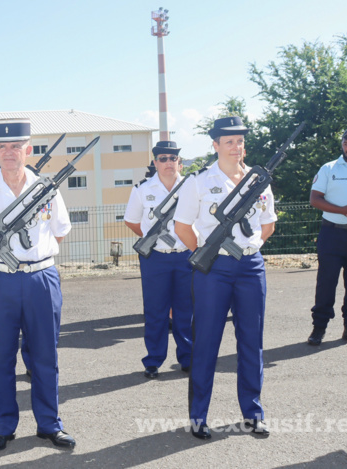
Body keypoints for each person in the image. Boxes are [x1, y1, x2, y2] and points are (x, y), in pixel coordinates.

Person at [0, 118, 75, 452]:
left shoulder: (47, 188)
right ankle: (3, 426)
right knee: (0, 356)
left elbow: (60, 231)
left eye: (16, 147)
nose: (9, 153)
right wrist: (2, 255)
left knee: (45, 355)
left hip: (41, 278)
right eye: (3, 147)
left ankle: (49, 425)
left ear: (28, 149)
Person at [174, 116, 276, 439]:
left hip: (250, 267)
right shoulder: (198, 182)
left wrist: (252, 248)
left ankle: (253, 414)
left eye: (240, 141)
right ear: (215, 145)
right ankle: (198, 417)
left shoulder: (259, 181)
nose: (236, 147)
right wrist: (207, 253)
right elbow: (181, 227)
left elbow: (268, 224)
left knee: (251, 342)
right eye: (229, 141)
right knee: (205, 342)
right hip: (214, 270)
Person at [124, 141, 193, 379]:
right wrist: (152, 239)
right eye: (162, 158)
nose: (168, 163)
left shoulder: (191, 187)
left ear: (179, 162)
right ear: (155, 163)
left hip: (186, 256)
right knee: (156, 311)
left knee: (186, 310)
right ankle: (153, 361)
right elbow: (132, 221)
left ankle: (188, 358)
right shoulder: (142, 189)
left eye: (172, 158)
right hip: (155, 258)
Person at [307, 124, 347, 346]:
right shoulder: (328, 168)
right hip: (332, 234)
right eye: (346, 144)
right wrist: (343, 210)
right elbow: (315, 199)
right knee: (326, 283)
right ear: (342, 145)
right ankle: (318, 329)